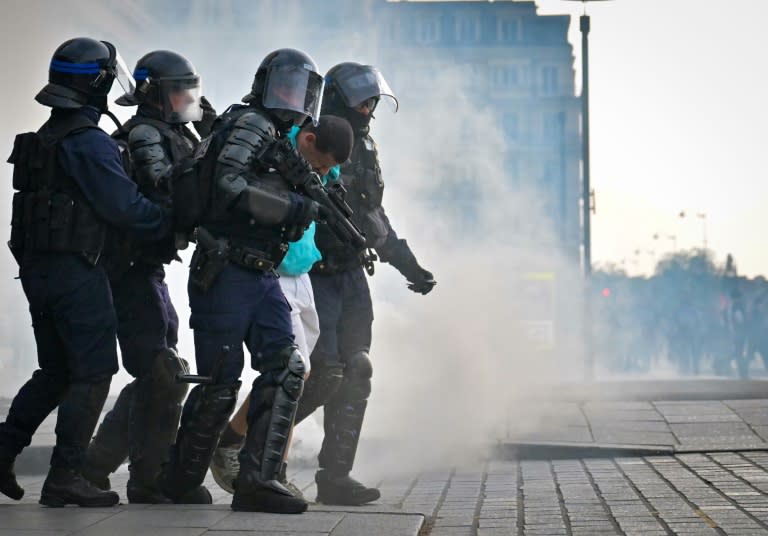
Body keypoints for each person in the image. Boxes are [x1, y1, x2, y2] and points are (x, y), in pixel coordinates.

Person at [157, 48, 330, 514]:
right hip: (225, 269)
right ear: (267, 82)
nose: (294, 96)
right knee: (220, 381)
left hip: (260, 271)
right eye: (287, 85)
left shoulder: (276, 133)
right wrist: (292, 209)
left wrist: (294, 209)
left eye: (301, 88)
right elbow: (229, 187)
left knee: (287, 366)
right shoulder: (251, 123)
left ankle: (259, 480)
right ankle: (180, 479)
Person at [0, 37, 172, 507]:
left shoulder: (45, 137)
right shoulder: (89, 142)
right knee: (94, 371)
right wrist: (169, 219)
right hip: (77, 270)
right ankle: (65, 478)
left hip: (39, 271)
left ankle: (1, 450)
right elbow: (126, 209)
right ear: (97, 85)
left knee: (55, 370)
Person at [80, 50, 216, 504]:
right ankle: (146, 477)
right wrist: (207, 156)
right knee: (163, 370)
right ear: (156, 94)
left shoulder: (171, 130)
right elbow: (166, 185)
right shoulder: (144, 134)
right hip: (128, 267)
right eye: (180, 90)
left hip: (146, 267)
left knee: (160, 369)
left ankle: (98, 464)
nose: (187, 99)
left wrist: (209, 140)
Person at [303, 63, 435, 505]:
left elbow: (372, 217)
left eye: (372, 101)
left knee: (356, 369)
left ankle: (334, 476)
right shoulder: (310, 136)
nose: (367, 109)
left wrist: (408, 266)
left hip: (351, 272)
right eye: (361, 100)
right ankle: (248, 450)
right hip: (313, 272)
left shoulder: (367, 146)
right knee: (321, 374)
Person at [210, 115, 354, 496]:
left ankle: (273, 466)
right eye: (322, 165)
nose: (323, 173)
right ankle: (234, 445)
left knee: (300, 377)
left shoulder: (313, 165)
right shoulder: (277, 153)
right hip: (273, 270)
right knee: (293, 372)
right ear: (308, 140)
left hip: (301, 271)